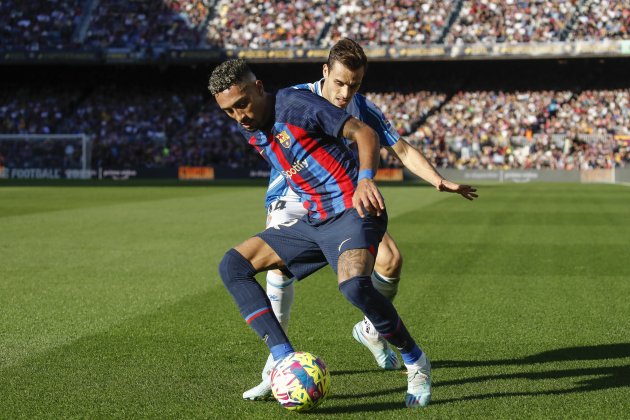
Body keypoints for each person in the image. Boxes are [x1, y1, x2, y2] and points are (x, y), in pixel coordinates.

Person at [244, 39, 478, 401]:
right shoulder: (295, 99)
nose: (344, 93)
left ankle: (371, 330)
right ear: (325, 72)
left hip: (339, 199)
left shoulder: (361, 108)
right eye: (339, 83)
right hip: (290, 196)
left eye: (354, 85)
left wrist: (437, 180)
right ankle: (275, 366)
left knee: (391, 261)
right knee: (276, 269)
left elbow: (399, 148)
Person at [210, 58, 433, 408]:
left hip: (353, 208)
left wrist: (365, 180)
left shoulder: (295, 105)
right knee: (232, 266)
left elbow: (365, 133)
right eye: (229, 110)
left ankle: (416, 361)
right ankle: (283, 359)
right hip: (313, 219)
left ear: (258, 87)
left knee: (353, 285)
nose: (239, 115)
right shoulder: (248, 127)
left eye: (242, 104)